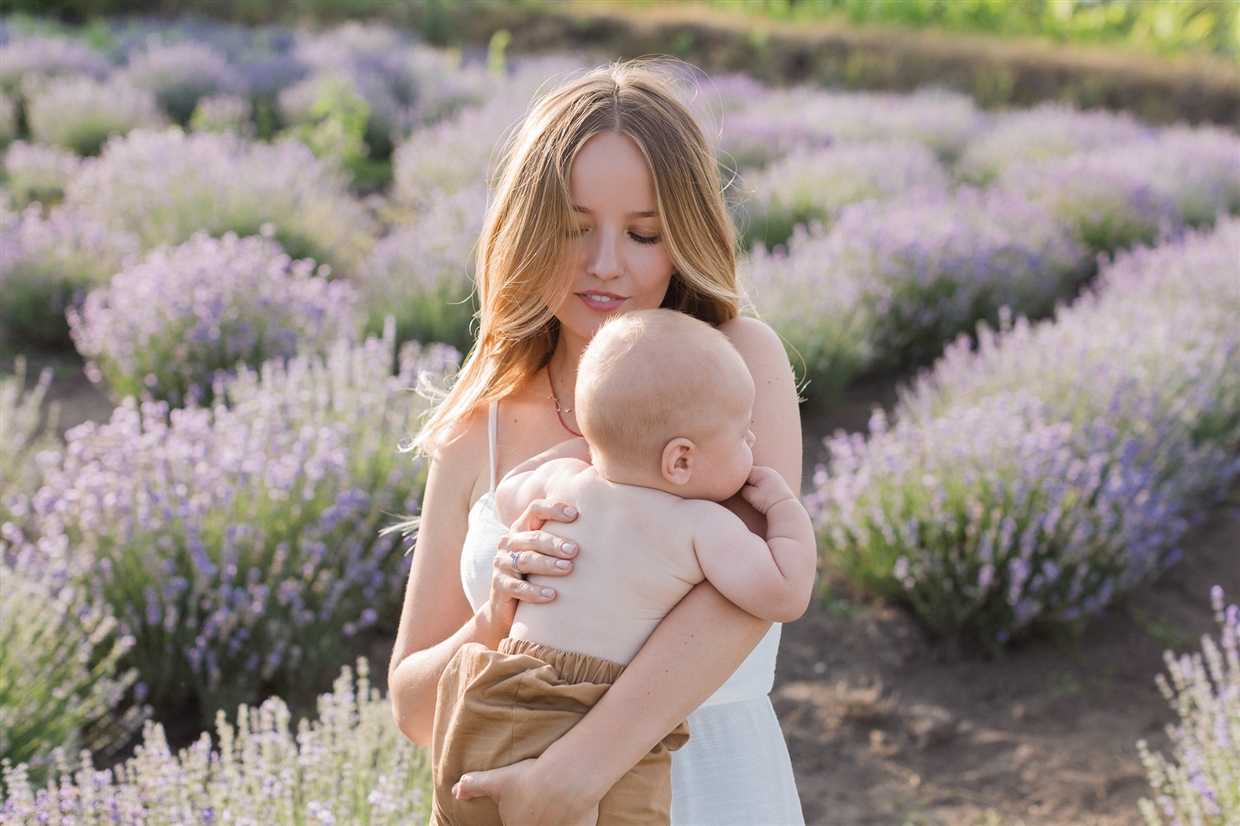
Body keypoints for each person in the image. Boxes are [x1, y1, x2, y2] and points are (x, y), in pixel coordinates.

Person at [388, 61, 809, 825]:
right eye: (575, 228)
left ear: (684, 235)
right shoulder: (477, 428)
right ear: (525, 228)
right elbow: (416, 712)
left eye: (643, 233)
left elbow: (741, 602)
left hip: (709, 792)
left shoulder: (736, 364)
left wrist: (572, 778)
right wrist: (494, 618)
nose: (605, 263)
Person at [431, 309, 817, 825]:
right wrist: (786, 510)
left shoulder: (564, 480)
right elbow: (785, 594)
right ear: (680, 460)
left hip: (499, 696)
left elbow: (507, 496)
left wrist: (580, 450)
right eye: (742, 434)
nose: (752, 443)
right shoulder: (701, 526)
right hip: (594, 709)